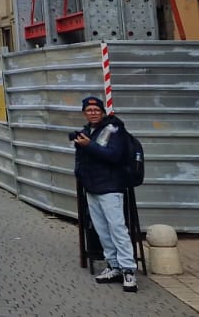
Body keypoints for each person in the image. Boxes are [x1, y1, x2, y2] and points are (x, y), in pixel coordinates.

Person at [72, 96, 138, 293]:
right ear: (84, 113)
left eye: (95, 109)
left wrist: (88, 146)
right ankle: (113, 266)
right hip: (92, 187)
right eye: (88, 110)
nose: (92, 113)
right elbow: (84, 157)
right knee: (102, 230)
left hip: (110, 187)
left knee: (117, 228)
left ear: (102, 111)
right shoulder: (87, 132)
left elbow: (114, 156)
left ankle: (128, 270)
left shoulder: (114, 129)